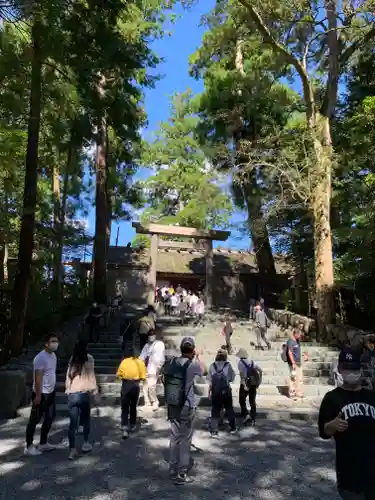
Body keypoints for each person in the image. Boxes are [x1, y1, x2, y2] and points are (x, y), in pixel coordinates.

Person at [318, 347, 375, 500]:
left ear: (361, 369)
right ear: (340, 369)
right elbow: (323, 432)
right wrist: (332, 425)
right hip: (350, 477)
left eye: (354, 368)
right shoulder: (331, 398)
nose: (351, 372)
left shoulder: (372, 397)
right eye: (347, 368)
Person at [162, 336, 205, 485]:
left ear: (181, 349)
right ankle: (181, 473)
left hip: (173, 404)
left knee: (174, 438)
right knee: (185, 440)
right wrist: (198, 357)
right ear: (192, 350)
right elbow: (203, 373)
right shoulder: (192, 365)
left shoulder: (172, 362)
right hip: (186, 405)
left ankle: (172, 469)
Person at [25, 333, 59, 456]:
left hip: (50, 392)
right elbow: (38, 378)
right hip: (41, 393)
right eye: (53, 341)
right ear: (46, 343)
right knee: (34, 420)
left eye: (57, 341)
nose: (56, 343)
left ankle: (43, 442)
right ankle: (29, 446)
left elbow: (50, 374)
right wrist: (38, 395)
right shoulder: (40, 358)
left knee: (50, 417)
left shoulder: (53, 355)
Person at [65, 340, 98, 460]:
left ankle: (72, 450)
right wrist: (95, 391)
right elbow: (91, 376)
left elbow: (68, 377)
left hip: (72, 394)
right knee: (86, 419)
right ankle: (85, 443)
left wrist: (68, 390)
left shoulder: (72, 360)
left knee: (72, 424)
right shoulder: (89, 359)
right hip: (84, 394)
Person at [116, 348, 147, 439]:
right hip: (136, 385)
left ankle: (125, 427)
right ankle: (132, 425)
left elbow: (118, 375)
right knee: (133, 406)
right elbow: (143, 377)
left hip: (126, 385)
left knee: (125, 407)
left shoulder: (124, 362)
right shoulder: (140, 362)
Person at [208, 349, 236, 437]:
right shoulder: (228, 365)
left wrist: (209, 392)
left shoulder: (212, 366)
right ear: (225, 356)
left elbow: (210, 381)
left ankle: (214, 431)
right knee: (229, 409)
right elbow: (232, 378)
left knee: (215, 410)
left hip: (215, 391)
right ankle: (233, 428)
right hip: (226, 391)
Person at [140, 329, 165, 410]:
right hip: (146, 368)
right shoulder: (146, 346)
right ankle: (147, 403)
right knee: (144, 388)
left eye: (152, 335)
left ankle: (155, 402)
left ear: (155, 336)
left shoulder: (159, 344)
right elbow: (142, 357)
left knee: (151, 387)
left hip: (154, 368)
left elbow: (160, 357)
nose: (151, 337)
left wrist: (158, 367)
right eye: (150, 335)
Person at [236, 348, 262, 425]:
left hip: (245, 383)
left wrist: (244, 385)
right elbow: (260, 370)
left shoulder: (240, 363)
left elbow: (242, 375)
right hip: (253, 383)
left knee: (241, 400)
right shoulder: (252, 362)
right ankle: (253, 418)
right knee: (252, 401)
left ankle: (246, 415)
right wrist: (259, 381)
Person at [286, 326, 304, 399]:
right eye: (299, 335)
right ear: (295, 334)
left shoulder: (297, 341)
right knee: (293, 377)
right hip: (294, 363)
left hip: (299, 362)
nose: (300, 336)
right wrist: (293, 362)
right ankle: (292, 393)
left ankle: (298, 392)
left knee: (299, 378)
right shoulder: (290, 341)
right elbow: (290, 352)